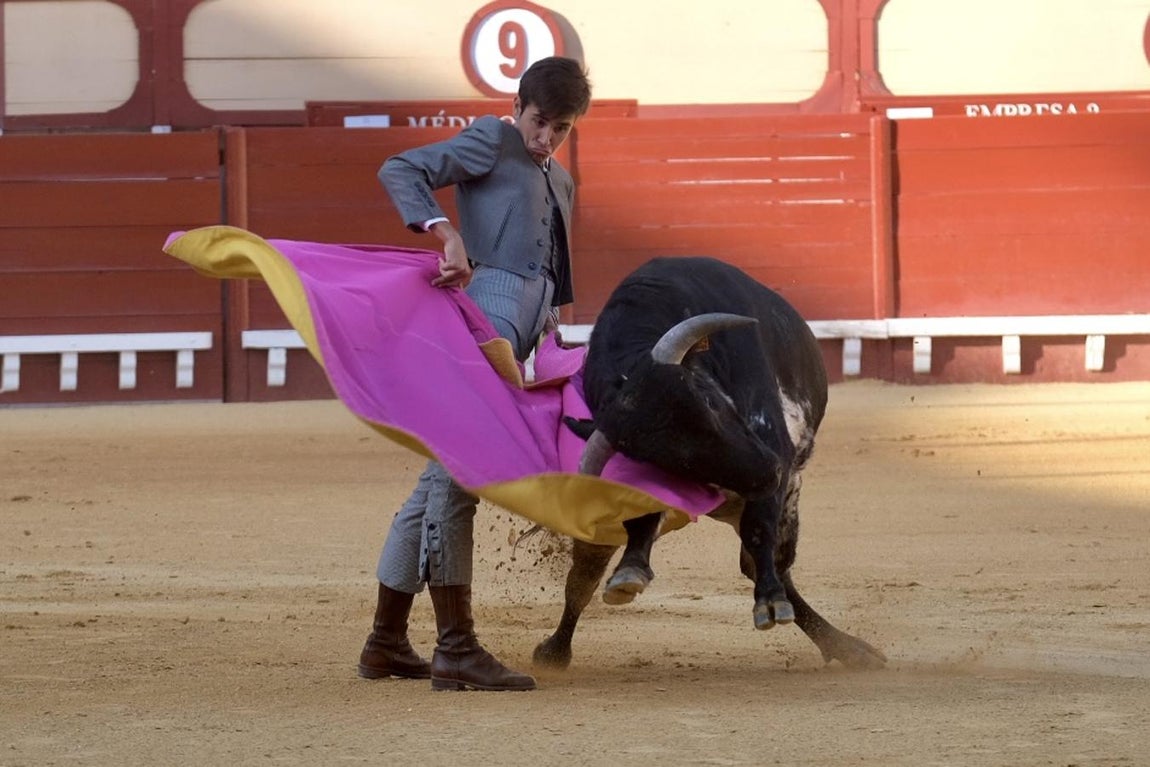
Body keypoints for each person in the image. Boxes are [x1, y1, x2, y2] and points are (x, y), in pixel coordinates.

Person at [357, 56, 592, 692]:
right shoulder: (492, 139)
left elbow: (551, 276)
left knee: (438, 480)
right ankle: (456, 647)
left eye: (561, 129)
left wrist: (549, 333)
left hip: (525, 336)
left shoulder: (562, 181)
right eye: (540, 121)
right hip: (483, 319)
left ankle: (385, 642)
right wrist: (446, 235)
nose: (546, 138)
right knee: (459, 478)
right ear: (518, 107)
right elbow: (402, 167)